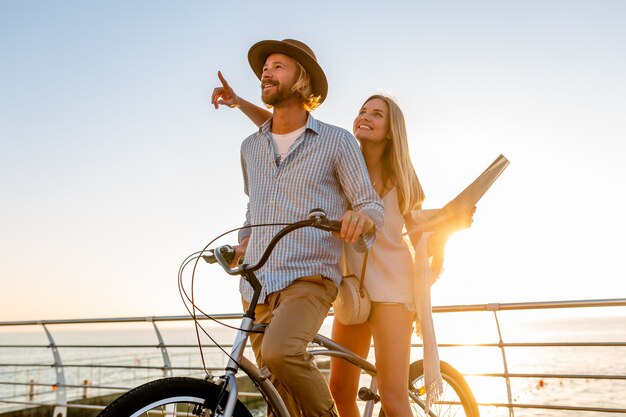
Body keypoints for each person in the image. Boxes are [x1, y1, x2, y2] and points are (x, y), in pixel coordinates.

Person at [212, 66, 473, 416]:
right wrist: (240, 103)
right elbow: (286, 128)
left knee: (393, 398)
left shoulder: (404, 179)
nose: (365, 117)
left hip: (393, 291)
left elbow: (422, 226)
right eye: (362, 111)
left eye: (376, 114)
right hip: (352, 288)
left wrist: (454, 221)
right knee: (338, 389)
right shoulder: (337, 160)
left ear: (392, 130)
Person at [216, 39, 385, 417]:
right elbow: (254, 207)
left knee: (281, 352)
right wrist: (245, 241)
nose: (266, 72)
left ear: (302, 81)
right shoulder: (250, 147)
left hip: (309, 276)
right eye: (265, 67)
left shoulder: (337, 141)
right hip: (256, 282)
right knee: (278, 392)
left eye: (278, 66)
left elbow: (369, 202)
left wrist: (363, 219)